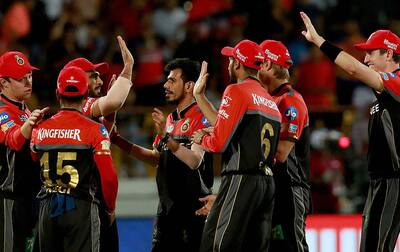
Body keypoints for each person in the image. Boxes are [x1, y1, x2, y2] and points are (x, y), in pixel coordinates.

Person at [300, 11, 400, 252]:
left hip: (393, 181)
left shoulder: (397, 82)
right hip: (381, 181)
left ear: (388, 53)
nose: (365, 60)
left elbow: (354, 70)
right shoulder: (385, 92)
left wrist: (319, 42)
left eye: (370, 53)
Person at [110, 58, 213, 252]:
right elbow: (156, 158)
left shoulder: (202, 117)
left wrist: (166, 138)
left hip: (193, 213)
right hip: (166, 212)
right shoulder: (171, 118)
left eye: (172, 80)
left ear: (190, 85)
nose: (165, 85)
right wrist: (117, 140)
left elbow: (195, 161)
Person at [192, 39, 281, 251]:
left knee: (219, 245)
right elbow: (230, 127)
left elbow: (219, 143)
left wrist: (201, 140)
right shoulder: (270, 102)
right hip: (267, 184)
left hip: (241, 179)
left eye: (231, 60)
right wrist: (199, 96)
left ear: (238, 64)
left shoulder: (236, 90)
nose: (228, 64)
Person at [30, 66, 118, 252]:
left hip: (48, 207)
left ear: (57, 94)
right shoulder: (95, 130)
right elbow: (109, 177)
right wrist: (109, 209)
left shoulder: (40, 128)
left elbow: (32, 157)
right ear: (86, 95)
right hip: (81, 208)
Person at [63, 35, 134, 252]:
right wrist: (128, 68)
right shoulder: (81, 106)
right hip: (86, 204)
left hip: (86, 201)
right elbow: (114, 100)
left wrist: (110, 118)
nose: (101, 81)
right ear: (76, 79)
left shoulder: (81, 115)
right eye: (94, 76)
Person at [258, 40, 311, 252]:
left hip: (290, 190)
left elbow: (280, 153)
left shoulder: (290, 101)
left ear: (268, 66)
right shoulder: (270, 99)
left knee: (291, 247)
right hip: (274, 189)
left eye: (258, 63)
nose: (254, 69)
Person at [0, 51, 48, 252]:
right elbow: (13, 139)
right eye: (21, 79)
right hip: (9, 201)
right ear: (3, 83)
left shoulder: (26, 110)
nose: (29, 82)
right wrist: (30, 126)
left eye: (30, 75)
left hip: (31, 200)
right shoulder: (2, 110)